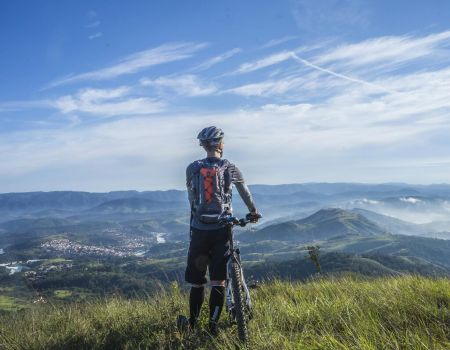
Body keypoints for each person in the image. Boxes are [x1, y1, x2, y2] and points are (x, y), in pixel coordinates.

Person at [178, 126, 260, 335]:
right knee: (218, 281)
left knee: (197, 283)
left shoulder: (192, 168)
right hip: (222, 229)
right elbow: (246, 194)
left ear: (203, 146)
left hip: (199, 230)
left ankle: (193, 324)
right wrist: (253, 212)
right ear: (221, 144)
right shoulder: (230, 168)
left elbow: (191, 199)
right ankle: (212, 326)